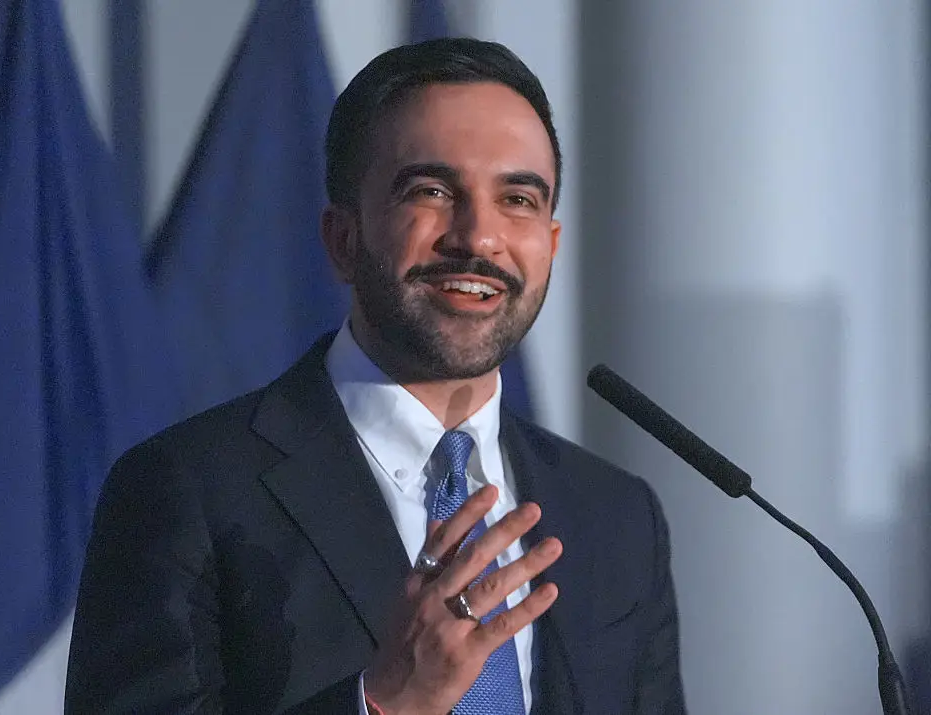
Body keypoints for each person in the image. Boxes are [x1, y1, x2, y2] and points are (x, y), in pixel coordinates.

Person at [65, 37, 686, 714]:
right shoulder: (185, 491)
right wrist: (386, 701)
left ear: (550, 244)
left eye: (518, 199)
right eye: (431, 190)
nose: (479, 237)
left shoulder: (617, 518)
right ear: (343, 239)